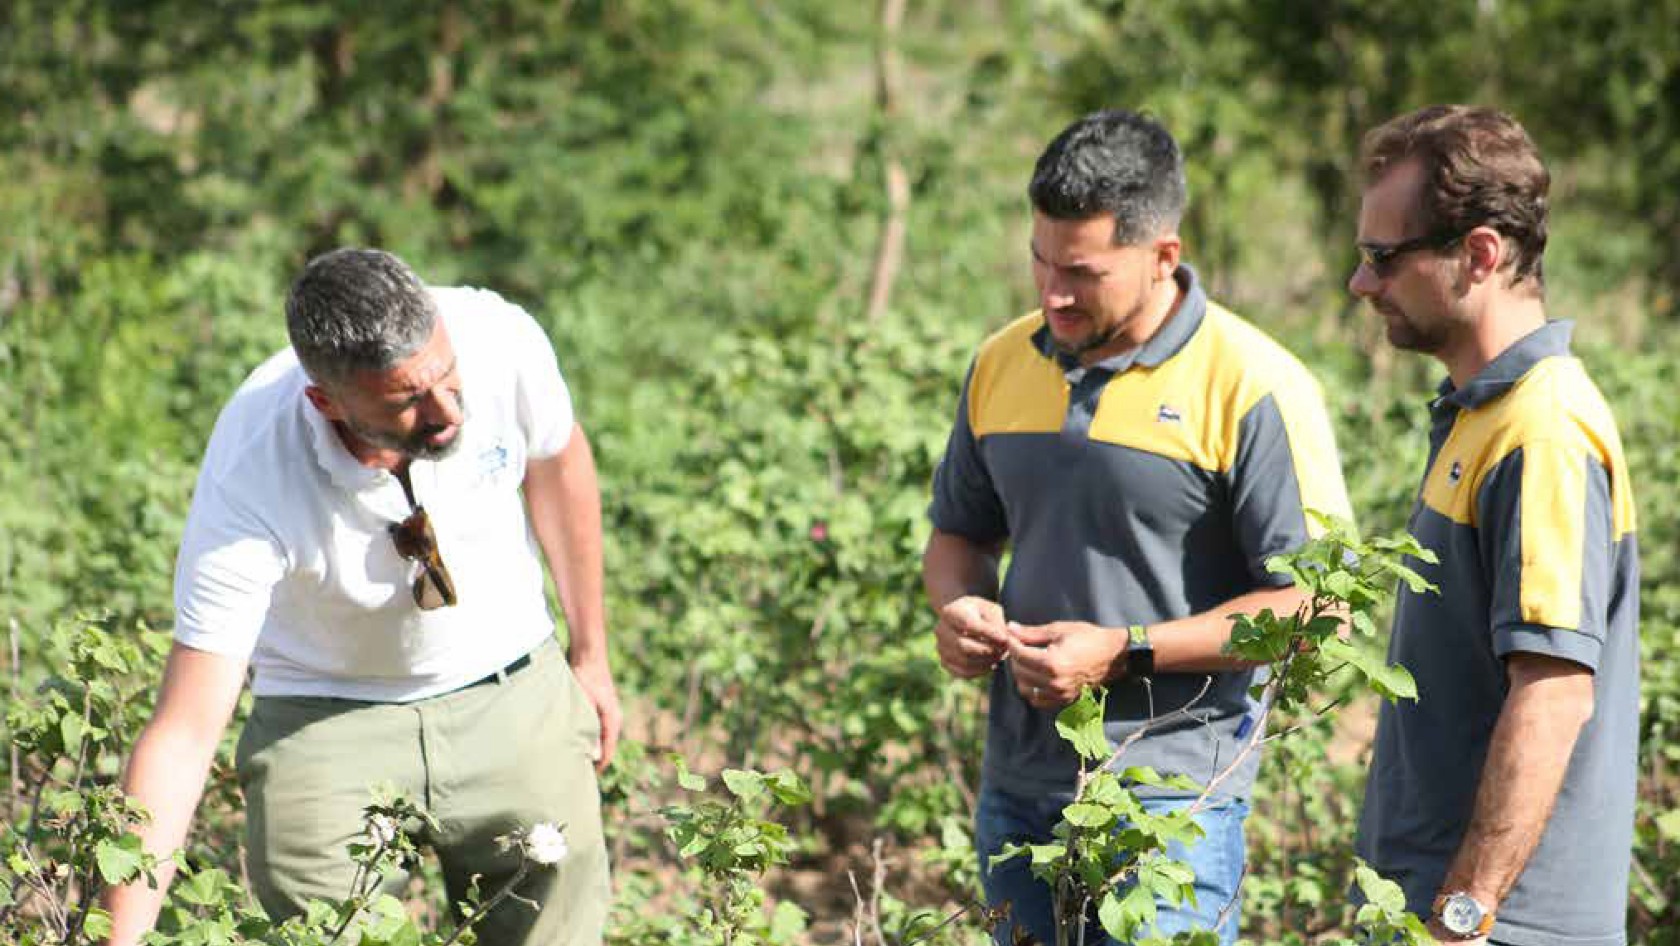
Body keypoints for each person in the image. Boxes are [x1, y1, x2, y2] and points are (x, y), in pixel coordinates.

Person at [923, 109, 1353, 946]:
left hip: (1171, 802)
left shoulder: (1254, 384)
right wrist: (960, 607)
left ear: (1164, 255)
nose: (1052, 293)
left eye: (1082, 273)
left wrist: (1123, 650)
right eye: (1040, 262)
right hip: (1018, 788)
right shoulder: (1000, 362)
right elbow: (959, 538)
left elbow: (1316, 607)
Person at [105, 248, 620, 945]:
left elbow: (558, 463)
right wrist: (116, 940)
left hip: (512, 688)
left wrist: (591, 654)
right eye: (407, 400)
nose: (445, 410)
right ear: (326, 400)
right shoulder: (253, 466)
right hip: (325, 720)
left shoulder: (499, 337)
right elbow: (185, 731)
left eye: (445, 374)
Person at [1350, 106, 1638, 946]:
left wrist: (1465, 914)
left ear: (1478, 254)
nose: (1361, 284)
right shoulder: (1485, 413)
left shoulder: (1542, 431)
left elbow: (1552, 694)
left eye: (1382, 258)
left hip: (1504, 929)